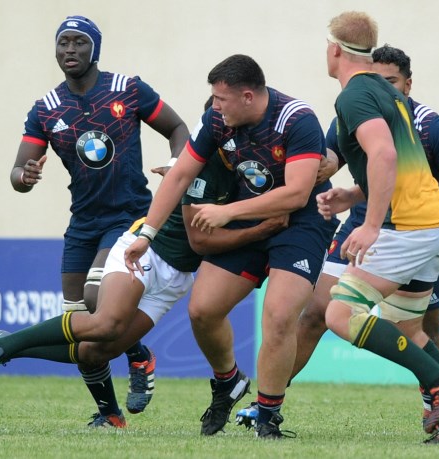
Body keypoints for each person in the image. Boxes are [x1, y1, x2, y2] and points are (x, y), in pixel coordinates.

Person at [236, 45, 439, 445]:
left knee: (379, 322)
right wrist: (328, 181)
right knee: (328, 314)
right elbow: (334, 158)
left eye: (390, 82)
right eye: (374, 79)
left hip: (405, 232)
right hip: (373, 229)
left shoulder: (429, 124)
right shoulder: (357, 107)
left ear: (407, 84)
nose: (379, 88)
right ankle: (269, 407)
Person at [0, 140, 288, 427]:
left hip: (175, 278)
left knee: (97, 351)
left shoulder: (248, 166)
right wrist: (261, 230)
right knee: (105, 322)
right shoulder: (202, 158)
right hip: (142, 250)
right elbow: (201, 240)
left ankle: (11, 346)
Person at [123, 54, 337, 439]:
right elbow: (179, 176)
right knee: (203, 310)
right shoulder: (217, 120)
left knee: (278, 315)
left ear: (249, 97)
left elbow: (296, 193)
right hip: (250, 220)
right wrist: (146, 235)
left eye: (221, 98)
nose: (214, 105)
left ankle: (268, 418)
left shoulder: (297, 119)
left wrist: (228, 212)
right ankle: (228, 382)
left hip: (301, 223)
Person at [8, 16, 189, 417]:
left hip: (128, 216)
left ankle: (138, 354)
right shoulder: (46, 109)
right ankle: (110, 415)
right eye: (62, 43)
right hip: (82, 224)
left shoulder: (127, 89)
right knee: (78, 328)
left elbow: (177, 126)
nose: (69, 50)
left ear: (95, 49)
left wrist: (178, 162)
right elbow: (18, 172)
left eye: (79, 43)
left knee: (95, 298)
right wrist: (26, 175)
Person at [317, 11, 439, 437]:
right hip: (432, 221)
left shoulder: (353, 96)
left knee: (339, 313)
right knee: (406, 328)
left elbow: (384, 156)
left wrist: (370, 224)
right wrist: (353, 194)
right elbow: (399, 164)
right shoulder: (389, 95)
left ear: (335, 50)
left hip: (408, 228)